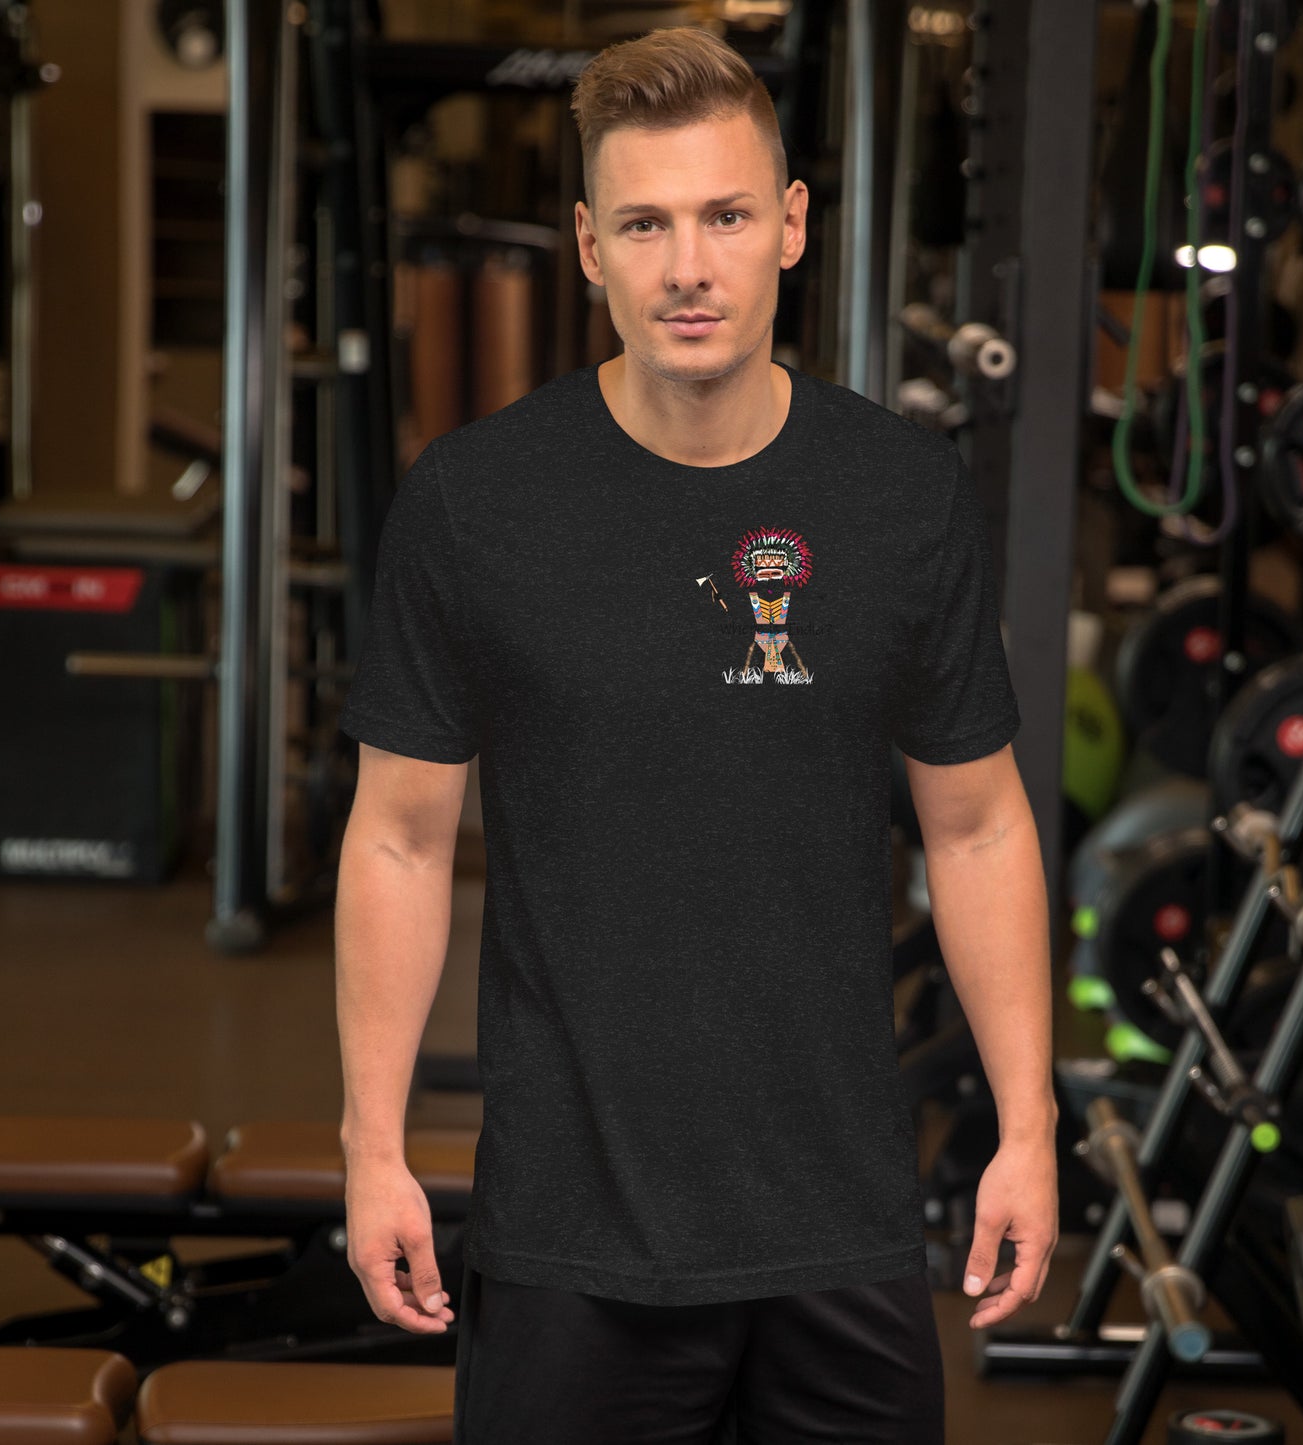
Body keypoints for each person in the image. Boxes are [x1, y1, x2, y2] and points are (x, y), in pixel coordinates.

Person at [335, 24, 1057, 1444]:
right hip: (570, 1228)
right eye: (646, 224)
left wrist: (1026, 1129)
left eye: (725, 215)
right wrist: (373, 1147)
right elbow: (399, 837)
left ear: (789, 227)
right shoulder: (477, 503)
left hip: (838, 1222)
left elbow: (977, 822)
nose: (687, 267)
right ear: (589, 246)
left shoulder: (901, 498)